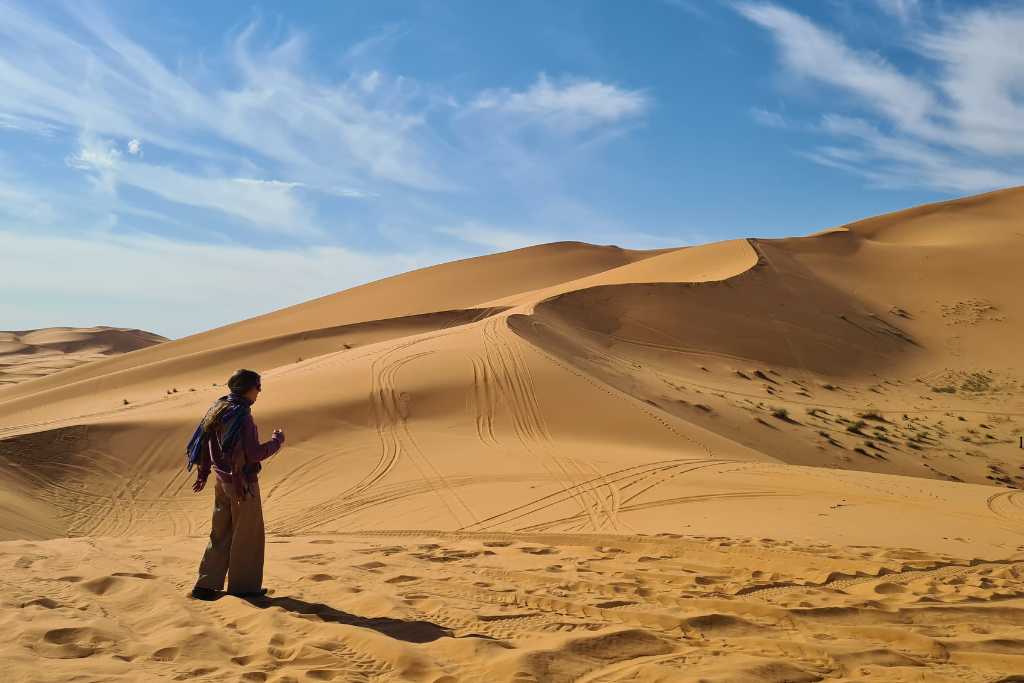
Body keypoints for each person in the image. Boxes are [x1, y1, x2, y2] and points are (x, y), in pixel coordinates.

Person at [186, 369, 285, 599]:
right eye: (257, 386)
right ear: (246, 388)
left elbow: (205, 442)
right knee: (247, 534)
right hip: (242, 484)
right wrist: (277, 442)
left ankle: (206, 585)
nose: (259, 391)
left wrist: (203, 472)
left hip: (222, 482)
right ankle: (245, 588)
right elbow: (253, 453)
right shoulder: (242, 416)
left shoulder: (218, 409)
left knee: (220, 532)